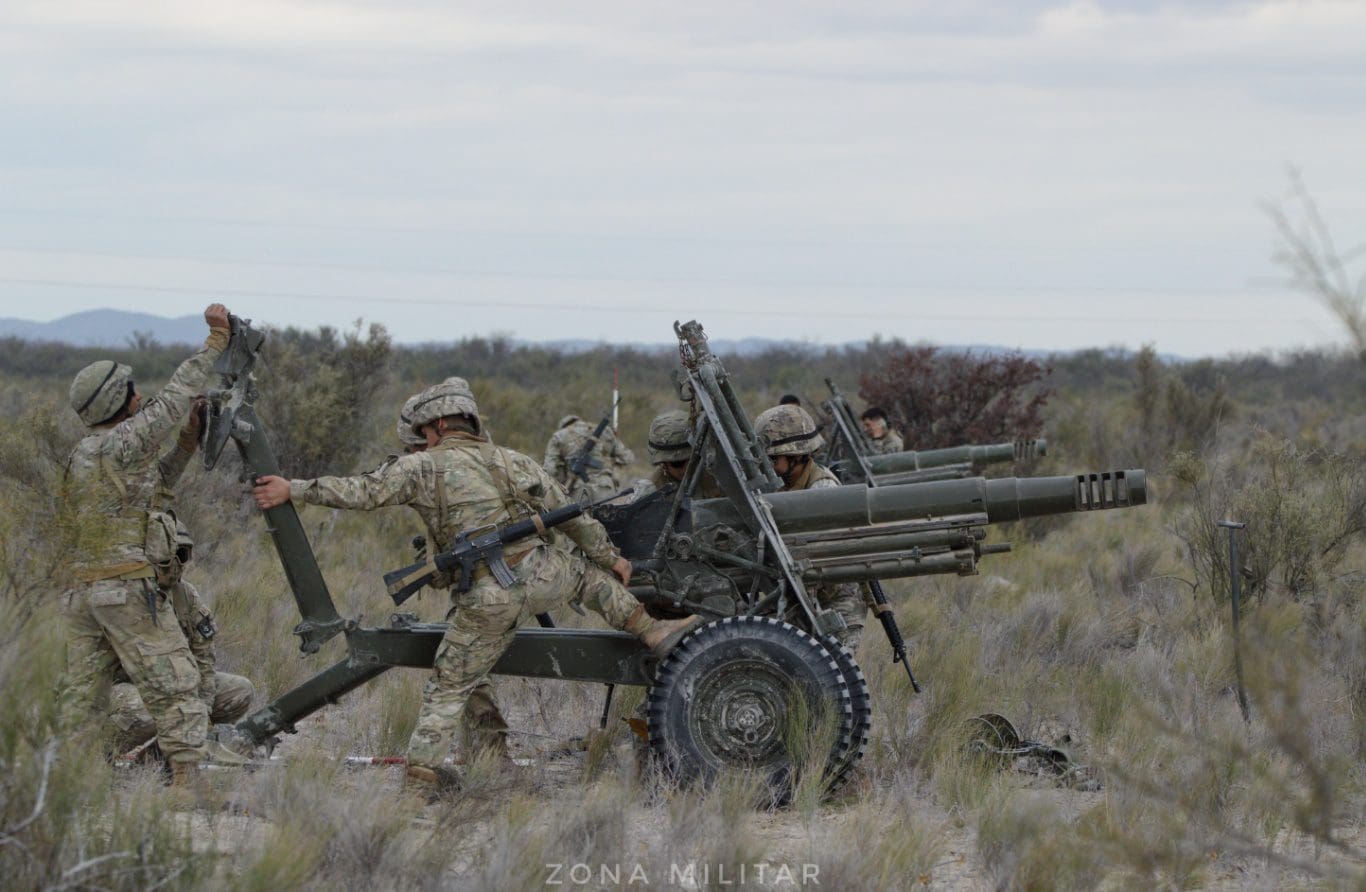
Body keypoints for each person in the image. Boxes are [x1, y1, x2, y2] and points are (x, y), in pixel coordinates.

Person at [250, 379, 699, 793]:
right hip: (544, 573)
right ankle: (652, 630)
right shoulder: (512, 460)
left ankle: (421, 776)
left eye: (422, 431)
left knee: (450, 685)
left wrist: (295, 489)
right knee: (589, 578)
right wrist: (612, 559)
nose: (421, 439)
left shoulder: (420, 468)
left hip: (488, 596)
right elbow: (573, 515)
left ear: (439, 424)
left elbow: (363, 491)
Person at [60, 303, 231, 787]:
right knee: (175, 684)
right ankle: (185, 786)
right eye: (134, 392)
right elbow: (176, 395)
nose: (142, 396)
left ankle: (74, 785)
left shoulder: (86, 454)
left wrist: (186, 445)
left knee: (79, 698)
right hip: (126, 592)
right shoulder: (123, 442)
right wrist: (215, 342)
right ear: (122, 400)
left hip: (80, 597)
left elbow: (153, 488)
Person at [395, 383, 513, 765]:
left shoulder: (475, 463)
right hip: (473, 577)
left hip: (500, 576)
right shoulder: (432, 464)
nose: (418, 452)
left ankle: (488, 755)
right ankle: (487, 756)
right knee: (466, 666)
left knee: (462, 666)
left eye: (421, 442)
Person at [107, 522, 256, 754]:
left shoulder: (186, 595)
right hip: (123, 686)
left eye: (181, 555)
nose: (175, 565)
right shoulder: (122, 594)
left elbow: (204, 661)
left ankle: (164, 753)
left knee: (240, 691)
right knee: (146, 711)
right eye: (167, 557)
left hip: (176, 684)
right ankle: (99, 751)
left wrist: (203, 712)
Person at [753, 404, 866, 651]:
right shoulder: (778, 486)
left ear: (797, 456)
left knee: (836, 674)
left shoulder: (823, 490)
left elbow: (826, 555)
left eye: (773, 459)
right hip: (799, 598)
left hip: (835, 602)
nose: (768, 465)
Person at [543, 414, 635, 503]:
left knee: (580, 518)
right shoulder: (606, 431)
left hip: (577, 489)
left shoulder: (559, 436)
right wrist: (611, 460)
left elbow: (549, 469)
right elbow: (628, 457)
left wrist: (560, 486)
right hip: (605, 487)